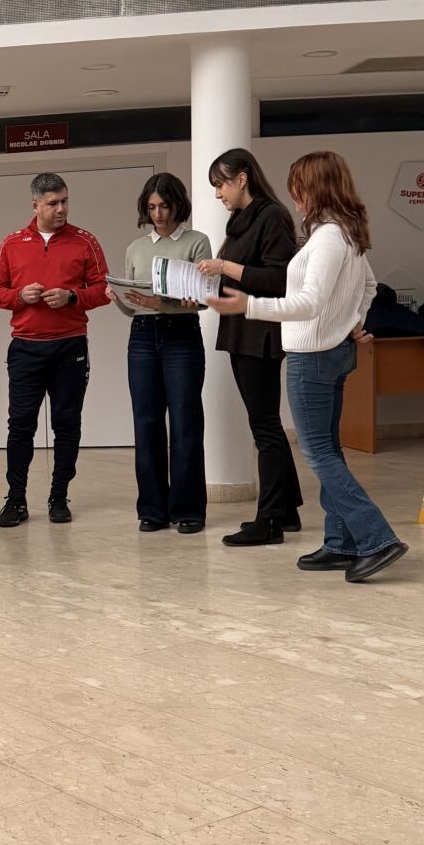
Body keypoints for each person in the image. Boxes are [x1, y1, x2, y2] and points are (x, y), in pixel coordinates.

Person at [207, 150, 407, 583]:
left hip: (313, 356)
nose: (294, 196)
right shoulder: (342, 232)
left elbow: (310, 302)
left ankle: (377, 538)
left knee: (317, 453)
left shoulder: (330, 236)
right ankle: (340, 542)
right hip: (329, 351)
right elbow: (368, 286)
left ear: (315, 188)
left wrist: (249, 305)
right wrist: (353, 323)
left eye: (298, 187)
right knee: (328, 449)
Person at [195, 148, 304, 546]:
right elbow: (242, 277)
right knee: (264, 424)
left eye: (221, 184)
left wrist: (223, 267)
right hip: (240, 331)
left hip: (261, 334)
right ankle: (287, 510)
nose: (218, 194)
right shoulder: (241, 220)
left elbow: (277, 279)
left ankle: (269, 521)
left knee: (265, 427)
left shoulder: (272, 215)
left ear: (242, 178)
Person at [0, 172, 109, 526]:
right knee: (20, 426)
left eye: (65, 201)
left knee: (66, 424)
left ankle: (59, 497)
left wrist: (73, 297)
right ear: (35, 205)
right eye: (53, 203)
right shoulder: (12, 243)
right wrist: (19, 296)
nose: (61, 209)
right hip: (26, 348)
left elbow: (104, 289)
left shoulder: (85, 241)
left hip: (70, 347)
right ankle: (16, 500)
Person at [105, 172, 211, 534]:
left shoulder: (197, 242)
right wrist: (117, 298)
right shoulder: (136, 248)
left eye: (164, 206)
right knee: (146, 422)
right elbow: (134, 308)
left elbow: (202, 300)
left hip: (181, 335)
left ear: (178, 204)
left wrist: (160, 303)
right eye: (151, 207)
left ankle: (189, 510)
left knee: (185, 422)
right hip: (141, 335)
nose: (158, 214)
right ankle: (152, 510)